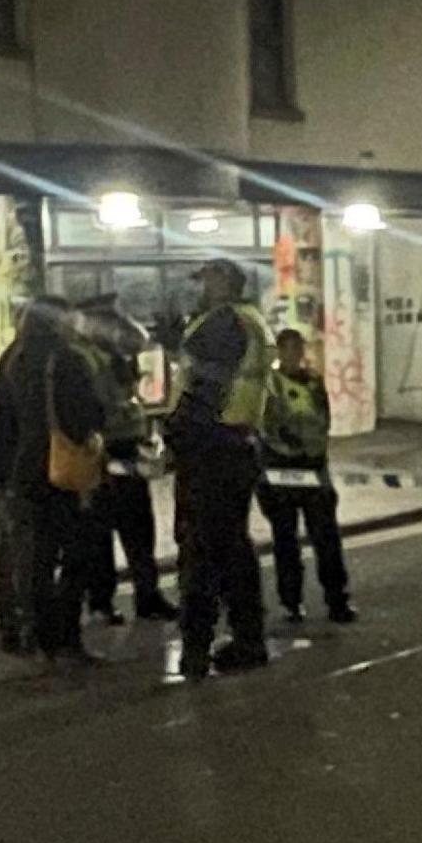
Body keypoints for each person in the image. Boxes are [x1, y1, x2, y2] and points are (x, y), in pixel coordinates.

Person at [0, 296, 105, 663]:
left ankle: (28, 632)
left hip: (15, 475)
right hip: (57, 473)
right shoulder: (65, 360)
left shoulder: (10, 359)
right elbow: (86, 416)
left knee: (30, 559)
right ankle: (65, 637)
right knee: (78, 556)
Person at [165, 258, 275, 678]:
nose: (202, 287)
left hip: (211, 445)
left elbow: (207, 384)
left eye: (208, 279)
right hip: (235, 443)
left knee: (201, 549)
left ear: (226, 281)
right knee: (232, 548)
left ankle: (197, 646)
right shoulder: (248, 320)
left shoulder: (226, 323)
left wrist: (178, 431)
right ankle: (248, 639)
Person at [71, 295, 178, 624]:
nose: (118, 327)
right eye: (110, 320)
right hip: (104, 449)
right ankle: (102, 602)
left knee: (138, 528)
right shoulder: (84, 357)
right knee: (99, 533)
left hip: (127, 448)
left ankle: (147, 596)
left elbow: (140, 340)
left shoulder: (112, 353)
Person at [255, 326, 352, 624]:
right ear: (279, 352)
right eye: (289, 349)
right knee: (286, 541)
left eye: (298, 349)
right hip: (282, 471)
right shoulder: (269, 385)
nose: (295, 355)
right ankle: (291, 603)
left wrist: (316, 452)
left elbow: (323, 418)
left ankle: (337, 600)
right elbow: (265, 427)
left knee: (326, 539)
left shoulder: (313, 381)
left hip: (312, 466)